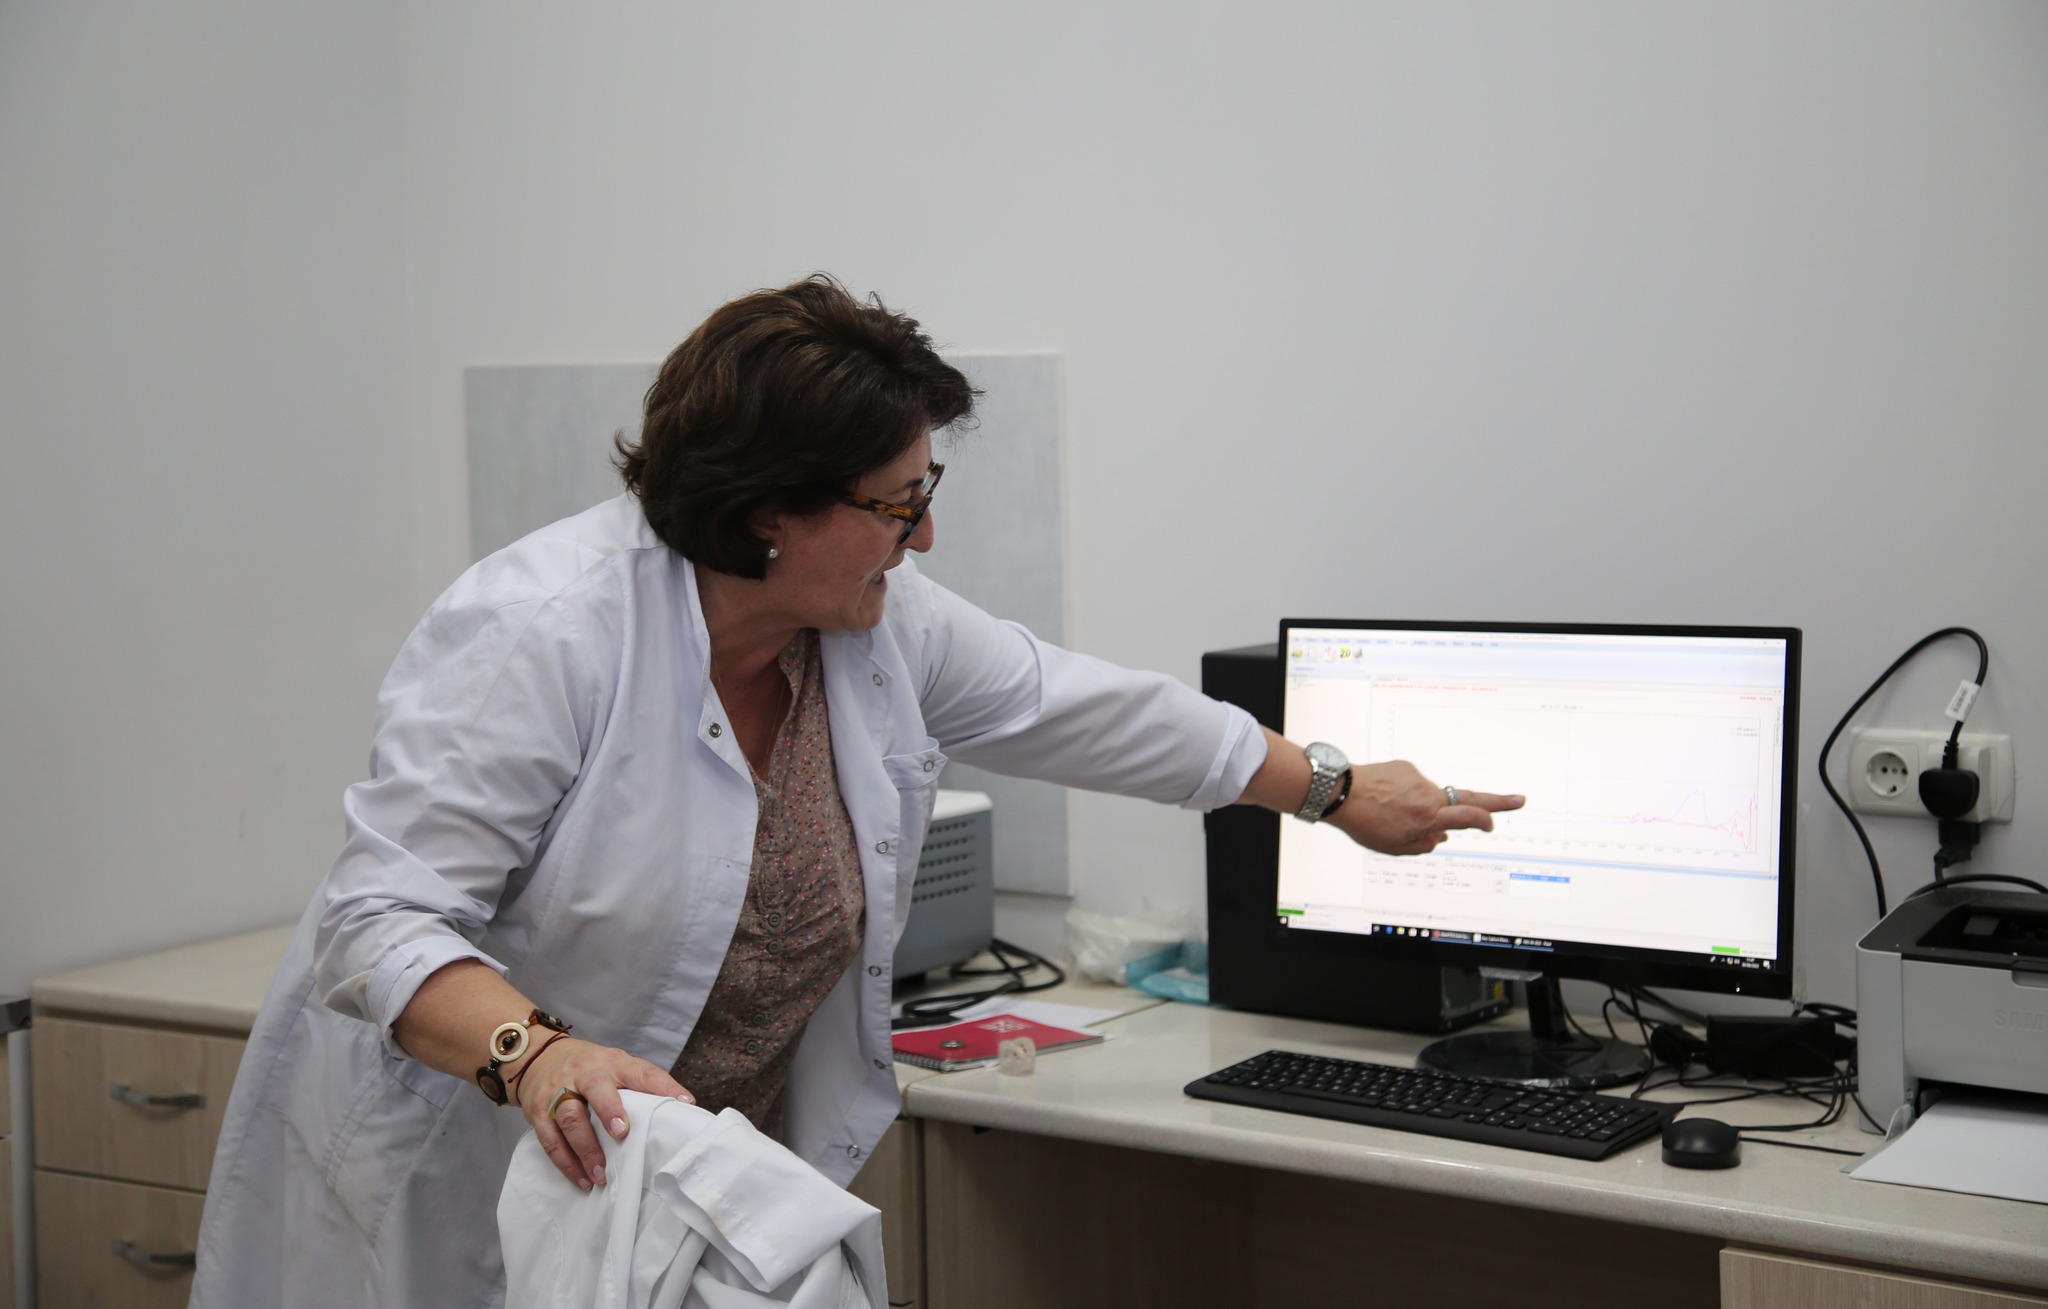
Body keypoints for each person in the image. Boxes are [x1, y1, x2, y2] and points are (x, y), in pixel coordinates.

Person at [191, 275, 1521, 1307]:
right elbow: (378, 922)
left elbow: (1083, 707)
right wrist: (535, 1055)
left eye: (923, 490)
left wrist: (1331, 787)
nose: (924, 533)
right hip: (473, 1168)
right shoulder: (542, 632)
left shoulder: (879, 628)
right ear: (767, 513)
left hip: (697, 1176)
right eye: (896, 503)